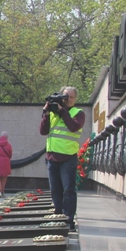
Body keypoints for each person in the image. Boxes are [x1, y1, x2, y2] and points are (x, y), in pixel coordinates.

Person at [40, 85, 85, 231]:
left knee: (68, 190)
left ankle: (69, 219)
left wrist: (62, 111)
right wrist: (46, 113)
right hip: (52, 157)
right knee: (55, 190)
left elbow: (73, 127)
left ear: (75, 99)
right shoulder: (53, 112)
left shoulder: (78, 113)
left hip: (68, 157)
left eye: (71, 97)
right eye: (66, 97)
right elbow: (43, 131)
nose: (68, 99)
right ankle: (58, 216)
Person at [0, 132, 13, 197]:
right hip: (6, 161)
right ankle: (2, 191)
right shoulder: (9, 145)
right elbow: (10, 154)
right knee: (4, 177)